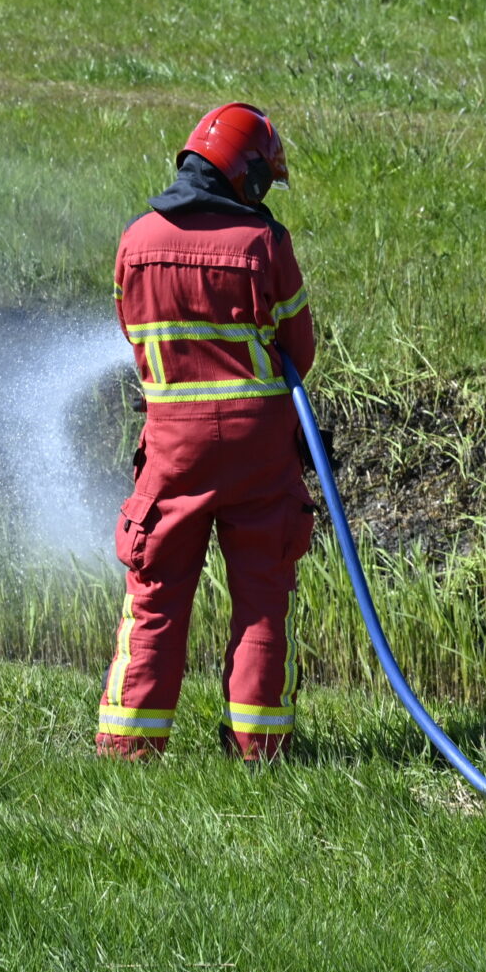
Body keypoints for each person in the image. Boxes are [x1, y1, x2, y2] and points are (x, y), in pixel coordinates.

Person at [96, 103, 317, 763]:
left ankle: (131, 751)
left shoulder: (136, 241)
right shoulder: (265, 245)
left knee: (157, 595)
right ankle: (256, 750)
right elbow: (297, 351)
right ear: (244, 176)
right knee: (260, 600)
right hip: (258, 449)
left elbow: (135, 340)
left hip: (174, 450)